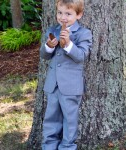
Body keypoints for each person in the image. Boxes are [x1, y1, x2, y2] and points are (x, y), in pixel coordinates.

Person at [41, 0, 92, 149]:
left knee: (69, 121)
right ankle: (48, 146)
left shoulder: (83, 33)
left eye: (68, 14)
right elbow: (45, 56)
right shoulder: (52, 30)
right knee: (50, 119)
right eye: (60, 12)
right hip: (53, 84)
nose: (63, 17)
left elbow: (82, 56)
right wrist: (49, 47)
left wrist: (68, 44)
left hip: (70, 86)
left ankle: (67, 147)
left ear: (79, 15)